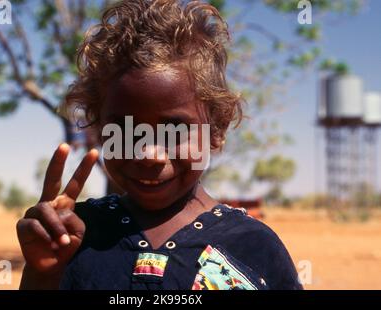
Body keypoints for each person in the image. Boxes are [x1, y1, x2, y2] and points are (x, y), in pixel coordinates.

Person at [17, 0, 302, 290]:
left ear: (216, 129)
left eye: (175, 130)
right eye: (126, 130)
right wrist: (42, 275)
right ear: (99, 129)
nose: (149, 154)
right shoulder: (75, 235)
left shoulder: (253, 247)